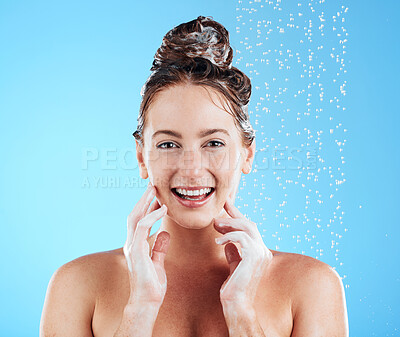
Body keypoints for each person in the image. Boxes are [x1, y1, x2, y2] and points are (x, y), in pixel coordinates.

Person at [40, 16, 349, 337]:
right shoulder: (78, 286)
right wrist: (140, 310)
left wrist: (241, 311)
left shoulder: (310, 286)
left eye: (213, 143)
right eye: (168, 144)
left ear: (247, 154)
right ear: (141, 156)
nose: (191, 169)